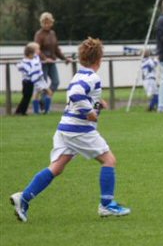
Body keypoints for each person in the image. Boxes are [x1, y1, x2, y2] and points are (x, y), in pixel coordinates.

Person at [10, 37, 131, 222]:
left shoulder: (80, 74)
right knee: (109, 160)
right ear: (100, 59)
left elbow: (78, 92)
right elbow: (76, 94)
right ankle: (107, 206)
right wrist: (90, 111)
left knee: (56, 167)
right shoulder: (93, 77)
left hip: (65, 128)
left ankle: (23, 198)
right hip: (79, 129)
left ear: (82, 59)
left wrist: (98, 102)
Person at [34, 12, 70, 112]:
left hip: (52, 62)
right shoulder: (39, 34)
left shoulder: (52, 33)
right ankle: (44, 103)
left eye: (49, 23)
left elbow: (56, 49)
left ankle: (43, 100)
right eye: (45, 23)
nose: (47, 25)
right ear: (41, 23)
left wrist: (64, 58)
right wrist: (45, 58)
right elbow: (37, 49)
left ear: (51, 23)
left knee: (56, 81)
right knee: (43, 84)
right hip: (42, 63)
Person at [15, 42, 49, 115]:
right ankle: (21, 111)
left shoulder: (35, 59)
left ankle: (20, 111)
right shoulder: (27, 62)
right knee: (26, 96)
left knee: (27, 96)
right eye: (36, 50)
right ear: (30, 53)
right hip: (27, 81)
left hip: (30, 81)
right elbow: (28, 70)